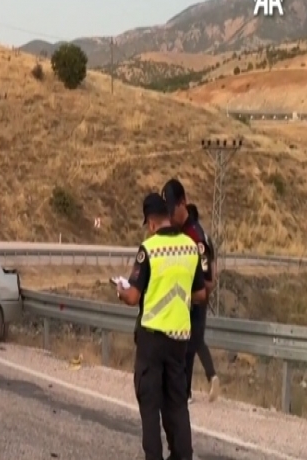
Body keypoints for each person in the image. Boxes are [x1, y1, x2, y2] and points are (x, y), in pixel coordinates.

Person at [117, 192, 207, 460]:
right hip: (179, 341)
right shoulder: (190, 247)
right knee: (177, 405)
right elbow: (201, 294)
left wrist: (120, 290)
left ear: (151, 223)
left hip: (152, 341)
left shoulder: (149, 249)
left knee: (150, 406)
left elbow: (133, 297)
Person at [164, 182, 220, 403]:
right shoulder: (179, 232)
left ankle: (186, 392)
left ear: (183, 203)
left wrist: (193, 291)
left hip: (194, 302)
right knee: (185, 345)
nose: (169, 215)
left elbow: (206, 281)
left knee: (189, 345)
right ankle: (182, 392)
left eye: (172, 209)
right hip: (182, 301)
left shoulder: (195, 237)